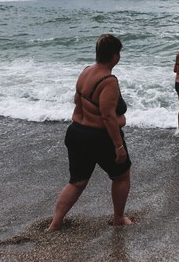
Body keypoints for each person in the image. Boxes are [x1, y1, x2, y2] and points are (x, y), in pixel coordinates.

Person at [47, 34, 132, 230]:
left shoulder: (85, 72)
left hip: (76, 133)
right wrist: (119, 147)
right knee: (121, 176)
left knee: (77, 182)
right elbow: (108, 117)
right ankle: (118, 217)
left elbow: (78, 104)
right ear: (114, 56)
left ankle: (55, 223)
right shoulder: (109, 81)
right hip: (99, 138)